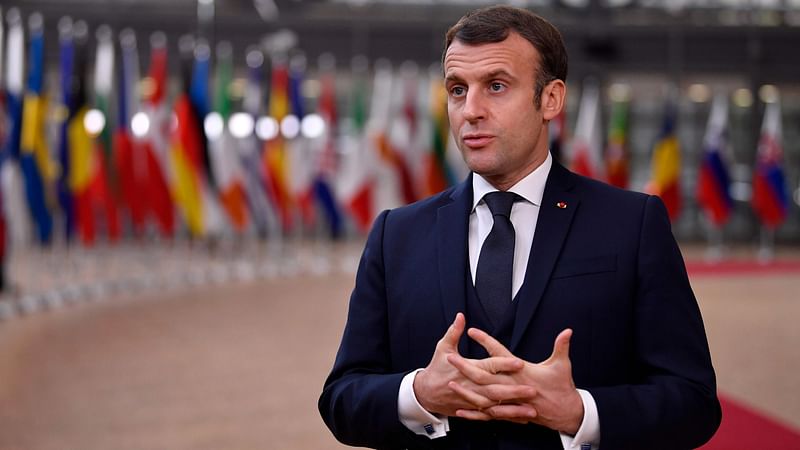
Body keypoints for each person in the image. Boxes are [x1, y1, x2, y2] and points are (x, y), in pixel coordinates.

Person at [319, 5, 721, 450]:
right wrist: (419, 393)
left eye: (495, 86)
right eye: (457, 89)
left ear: (551, 99)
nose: (470, 110)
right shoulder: (396, 234)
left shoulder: (633, 224)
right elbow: (341, 399)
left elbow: (694, 402)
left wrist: (579, 413)